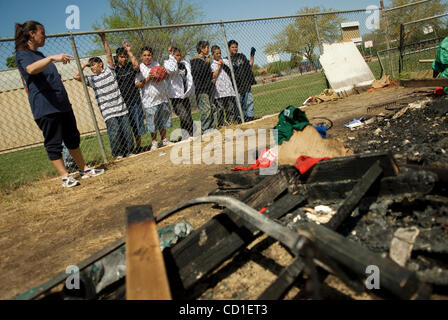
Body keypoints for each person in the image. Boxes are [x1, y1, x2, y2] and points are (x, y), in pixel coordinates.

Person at [15, 20, 104, 188]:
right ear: (32, 34)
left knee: (72, 137)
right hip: (45, 107)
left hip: (61, 104)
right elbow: (30, 70)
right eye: (42, 32)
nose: (45, 36)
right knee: (54, 142)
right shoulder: (22, 54)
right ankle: (65, 176)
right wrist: (51, 58)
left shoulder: (40, 55)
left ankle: (84, 169)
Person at [74, 31, 134, 160]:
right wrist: (84, 65)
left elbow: (108, 54)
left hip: (121, 108)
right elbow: (76, 76)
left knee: (127, 132)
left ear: (100, 64)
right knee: (115, 133)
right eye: (90, 66)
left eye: (93, 65)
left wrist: (104, 39)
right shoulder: (91, 80)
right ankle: (118, 154)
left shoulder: (109, 71)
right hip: (108, 112)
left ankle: (129, 151)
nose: (92, 68)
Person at [135, 46, 172, 150]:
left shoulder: (156, 64)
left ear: (152, 56)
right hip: (149, 100)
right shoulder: (140, 68)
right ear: (141, 57)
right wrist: (148, 78)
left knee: (163, 120)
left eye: (149, 55)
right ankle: (154, 142)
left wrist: (163, 74)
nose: (147, 57)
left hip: (161, 97)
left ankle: (164, 139)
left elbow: (165, 77)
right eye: (145, 55)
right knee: (152, 122)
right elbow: (137, 84)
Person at [115, 42, 147, 153]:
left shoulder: (130, 66)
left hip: (135, 100)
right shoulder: (115, 70)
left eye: (125, 57)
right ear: (117, 57)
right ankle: (128, 148)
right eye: (121, 57)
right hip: (122, 103)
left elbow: (137, 65)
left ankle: (138, 146)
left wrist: (129, 51)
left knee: (137, 125)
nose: (124, 59)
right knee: (126, 127)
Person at [164, 46, 195, 139]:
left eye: (180, 55)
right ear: (172, 56)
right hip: (175, 96)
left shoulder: (184, 64)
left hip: (185, 94)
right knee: (184, 116)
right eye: (177, 55)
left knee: (188, 115)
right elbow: (172, 69)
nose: (179, 57)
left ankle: (187, 135)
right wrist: (171, 56)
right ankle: (189, 134)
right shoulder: (168, 64)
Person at [190, 41, 217, 133]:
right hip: (201, 89)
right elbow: (199, 73)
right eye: (205, 47)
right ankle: (204, 129)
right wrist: (206, 63)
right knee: (206, 110)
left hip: (209, 87)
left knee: (213, 108)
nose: (207, 49)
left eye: (208, 47)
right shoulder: (195, 60)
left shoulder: (206, 59)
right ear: (201, 49)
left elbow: (208, 73)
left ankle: (212, 128)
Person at [228, 40, 257, 122]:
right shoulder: (228, 59)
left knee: (249, 101)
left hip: (246, 83)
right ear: (229, 48)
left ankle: (250, 117)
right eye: (232, 47)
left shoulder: (241, 56)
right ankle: (240, 118)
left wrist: (252, 55)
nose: (235, 48)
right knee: (238, 103)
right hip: (237, 85)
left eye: (236, 47)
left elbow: (250, 65)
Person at [210, 45, 237, 126]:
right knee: (220, 109)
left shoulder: (226, 61)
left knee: (230, 108)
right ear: (213, 54)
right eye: (217, 53)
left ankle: (231, 123)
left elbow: (232, 71)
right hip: (219, 91)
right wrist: (219, 67)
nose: (219, 55)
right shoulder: (211, 64)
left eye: (220, 53)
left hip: (228, 89)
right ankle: (221, 124)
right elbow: (213, 76)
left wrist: (223, 64)